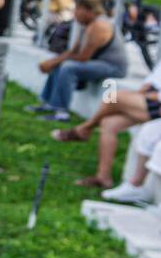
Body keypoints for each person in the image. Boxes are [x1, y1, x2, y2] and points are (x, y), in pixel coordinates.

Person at [51, 60, 161, 190]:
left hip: (157, 104)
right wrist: (143, 93)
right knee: (108, 123)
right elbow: (151, 81)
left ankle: (85, 128)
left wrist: (148, 95)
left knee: (113, 97)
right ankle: (103, 178)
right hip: (148, 100)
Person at [27, 0, 130, 122]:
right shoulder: (87, 25)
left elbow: (83, 57)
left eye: (77, 9)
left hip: (113, 67)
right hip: (97, 62)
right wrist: (52, 62)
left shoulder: (99, 26)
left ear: (89, 11)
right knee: (59, 63)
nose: (74, 13)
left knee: (68, 67)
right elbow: (73, 51)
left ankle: (61, 113)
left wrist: (54, 62)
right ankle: (48, 104)